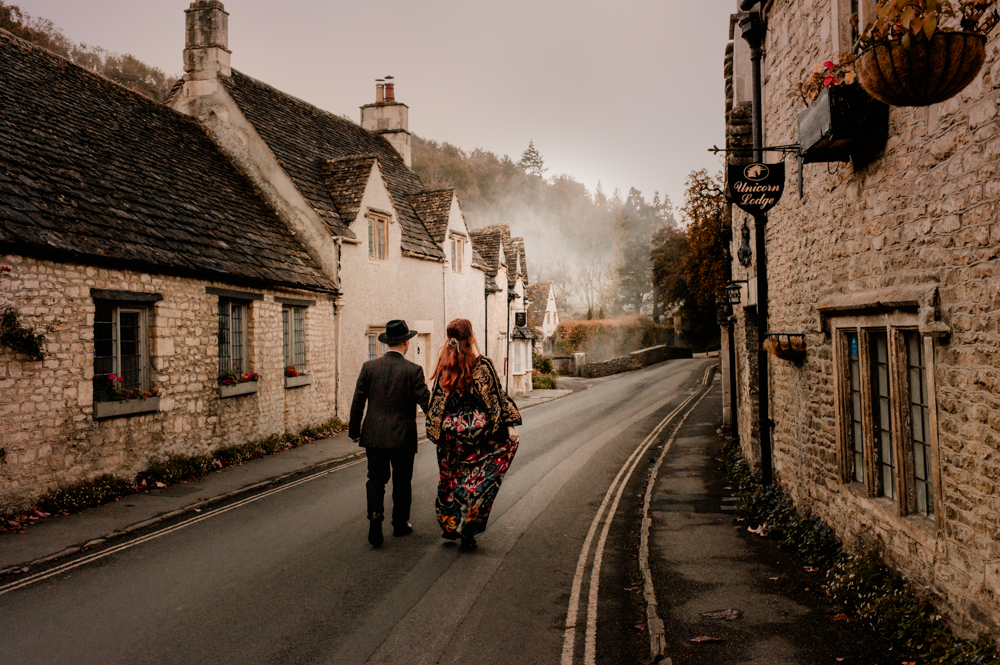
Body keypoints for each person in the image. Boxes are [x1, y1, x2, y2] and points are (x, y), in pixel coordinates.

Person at [426, 318, 521, 552]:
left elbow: (436, 402)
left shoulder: (444, 367)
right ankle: (469, 528)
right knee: (479, 482)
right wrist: (510, 427)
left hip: (451, 440)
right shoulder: (483, 366)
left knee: (450, 478)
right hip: (480, 438)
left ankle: (449, 525)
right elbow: (497, 398)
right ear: (471, 338)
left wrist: (437, 431)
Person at [349, 320, 431, 548]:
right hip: (403, 436)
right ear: (405, 343)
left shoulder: (369, 368)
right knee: (402, 481)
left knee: (375, 478)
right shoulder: (413, 370)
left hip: (374, 434)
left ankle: (375, 514)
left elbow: (358, 402)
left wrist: (354, 431)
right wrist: (439, 424)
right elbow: (426, 403)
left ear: (387, 343)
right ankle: (399, 523)